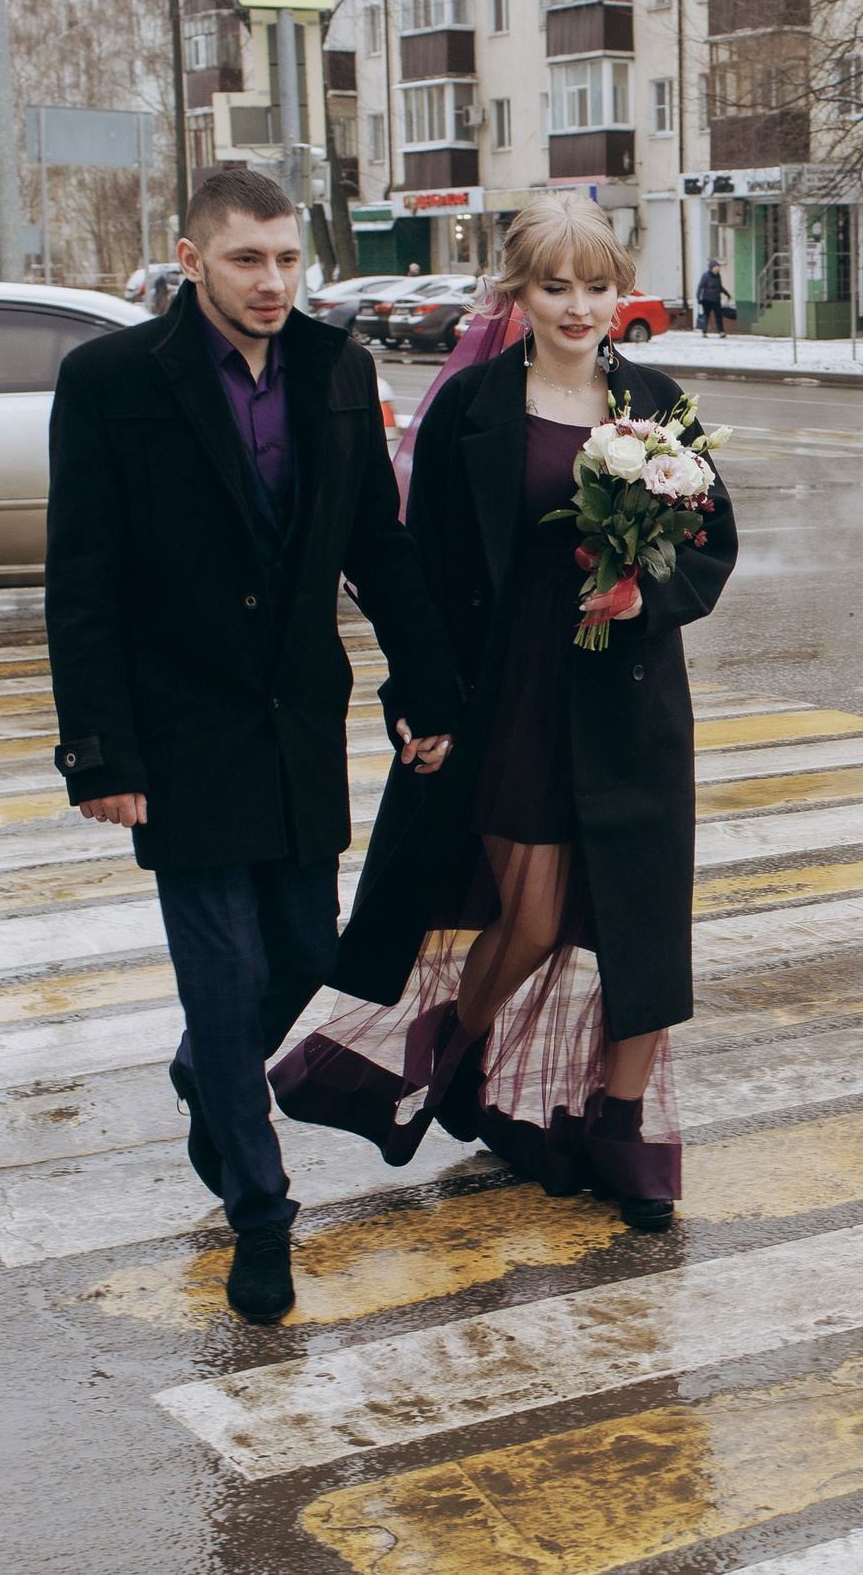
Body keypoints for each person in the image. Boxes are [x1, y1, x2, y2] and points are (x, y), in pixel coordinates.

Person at [44, 167, 462, 1325]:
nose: (272, 282)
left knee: (301, 950)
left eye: (286, 259)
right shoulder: (111, 379)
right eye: (246, 260)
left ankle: (201, 1074)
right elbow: (81, 581)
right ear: (190, 259)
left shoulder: (338, 369)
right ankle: (260, 1209)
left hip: (296, 724)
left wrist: (424, 689)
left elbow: (378, 546)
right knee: (222, 976)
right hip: (176, 732)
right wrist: (100, 754)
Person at [275, 191, 737, 1234]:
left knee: (640, 925)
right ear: (517, 292)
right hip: (513, 691)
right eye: (555, 285)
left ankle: (624, 1127)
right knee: (529, 915)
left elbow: (710, 541)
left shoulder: (656, 399)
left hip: (627, 698)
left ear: (623, 290)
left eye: (598, 284)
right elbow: (418, 570)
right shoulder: (474, 406)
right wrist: (420, 700)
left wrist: (642, 589)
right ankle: (454, 1048)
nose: (579, 306)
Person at [696, 259, 731, 337]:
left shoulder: (718, 276)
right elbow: (701, 287)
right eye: (715, 269)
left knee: (718, 316)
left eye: (718, 269)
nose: (716, 270)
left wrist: (727, 294)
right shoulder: (705, 276)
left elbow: (720, 287)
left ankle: (721, 331)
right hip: (707, 299)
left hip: (716, 299)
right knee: (706, 316)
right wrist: (698, 297)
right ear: (711, 268)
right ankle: (704, 331)